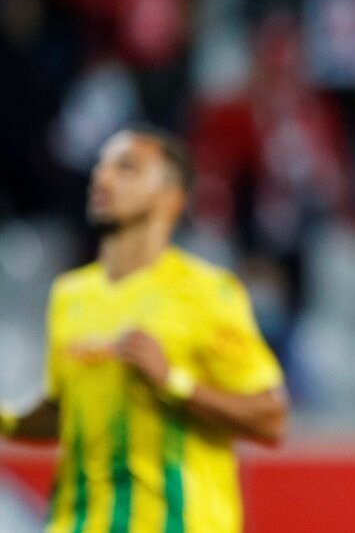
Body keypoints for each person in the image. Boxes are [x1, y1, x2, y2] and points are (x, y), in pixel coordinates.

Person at [0, 126, 289, 533]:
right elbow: (66, 413)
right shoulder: (70, 294)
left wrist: (173, 383)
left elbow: (270, 417)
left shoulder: (205, 292)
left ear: (172, 199)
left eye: (127, 168)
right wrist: (7, 421)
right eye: (100, 166)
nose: (102, 178)